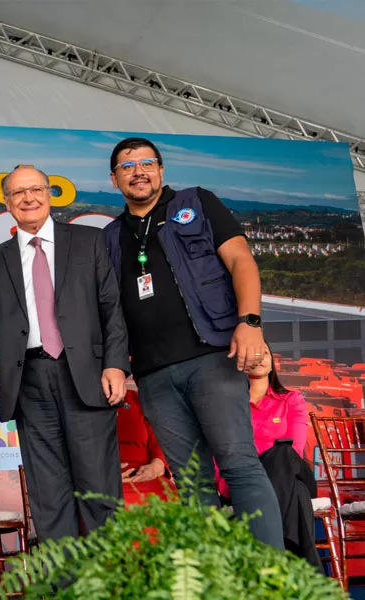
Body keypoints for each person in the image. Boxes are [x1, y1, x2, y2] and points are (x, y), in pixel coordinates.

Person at [102, 137, 283, 549]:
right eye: (127, 167)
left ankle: (274, 579)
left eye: (147, 163)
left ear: (161, 170)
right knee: (192, 482)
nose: (138, 171)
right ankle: (215, 582)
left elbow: (240, 260)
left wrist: (250, 322)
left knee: (239, 464)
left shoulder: (197, 203)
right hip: (153, 375)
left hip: (212, 359)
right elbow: (109, 308)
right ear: (114, 180)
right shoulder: (111, 236)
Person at [0, 166, 130, 544]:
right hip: (29, 381)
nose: (28, 198)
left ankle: (111, 583)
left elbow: (112, 306)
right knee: (49, 495)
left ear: (49, 194)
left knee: (99, 489)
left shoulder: (88, 241)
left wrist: (115, 364)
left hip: (87, 375)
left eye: (35, 190)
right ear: (8, 203)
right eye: (18, 193)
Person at [216, 344, 317, 564]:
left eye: (265, 354)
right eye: (254, 353)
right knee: (297, 493)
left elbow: (295, 451)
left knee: (282, 452)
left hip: (289, 470)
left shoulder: (292, 400)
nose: (260, 358)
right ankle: (297, 567)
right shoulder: (228, 406)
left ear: (273, 361)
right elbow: (221, 453)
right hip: (245, 481)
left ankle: (269, 558)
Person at [116, 390, 175, 505]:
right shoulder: (82, 402)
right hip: (103, 480)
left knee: (170, 500)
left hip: (144, 475)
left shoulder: (137, 398)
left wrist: (155, 466)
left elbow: (158, 442)